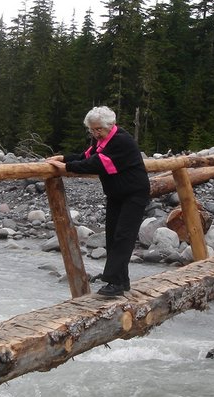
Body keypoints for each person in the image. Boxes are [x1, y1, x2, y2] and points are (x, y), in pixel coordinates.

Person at [46, 106, 150, 296]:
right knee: (111, 236)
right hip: (117, 194)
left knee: (123, 237)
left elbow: (96, 164)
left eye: (98, 129)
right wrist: (63, 157)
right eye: (92, 130)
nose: (95, 133)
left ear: (110, 125)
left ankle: (114, 283)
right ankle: (122, 280)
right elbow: (86, 156)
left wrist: (65, 166)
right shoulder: (103, 140)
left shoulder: (121, 141)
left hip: (134, 193)